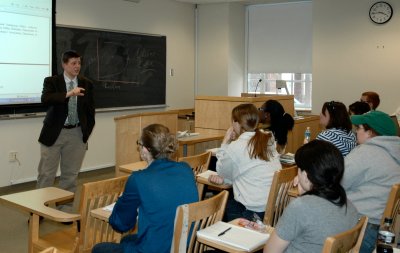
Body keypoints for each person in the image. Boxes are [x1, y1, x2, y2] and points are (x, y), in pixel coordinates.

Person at [92, 124, 198, 253]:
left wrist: (122, 200)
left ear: (146, 149)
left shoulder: (138, 179)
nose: (139, 148)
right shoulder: (185, 168)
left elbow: (121, 224)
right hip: (184, 245)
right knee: (127, 240)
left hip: (157, 248)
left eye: (139, 144)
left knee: (99, 249)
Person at [263, 140, 359, 253]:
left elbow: (270, 251)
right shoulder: (350, 207)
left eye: (298, 169)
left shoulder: (301, 207)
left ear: (305, 175)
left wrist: (302, 197)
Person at [36, 50, 95, 212]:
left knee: (70, 176)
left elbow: (91, 111)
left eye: (79, 63)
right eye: (73, 63)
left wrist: (85, 133)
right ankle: (40, 209)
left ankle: (65, 209)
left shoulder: (86, 83)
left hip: (76, 134)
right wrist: (69, 93)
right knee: (46, 175)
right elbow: (45, 99)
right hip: (54, 133)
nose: (77, 66)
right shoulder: (52, 81)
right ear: (64, 64)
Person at [208, 103, 281, 221]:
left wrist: (225, 142)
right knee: (230, 203)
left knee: (217, 209)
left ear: (237, 123)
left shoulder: (237, 146)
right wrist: (227, 179)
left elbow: (221, 170)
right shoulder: (268, 138)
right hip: (274, 206)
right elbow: (250, 168)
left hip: (253, 211)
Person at [342, 110, 400, 253]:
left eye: (359, 128)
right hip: (382, 230)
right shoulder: (394, 152)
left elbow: (336, 183)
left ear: (370, 132)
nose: (355, 131)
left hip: (360, 230)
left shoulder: (365, 153)